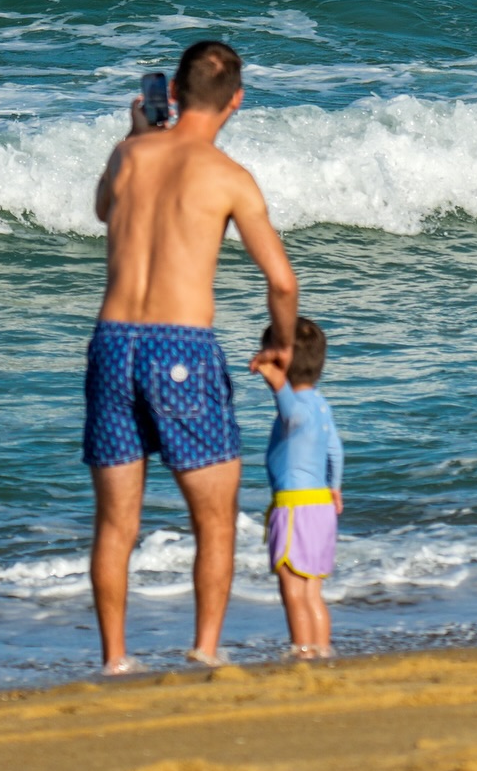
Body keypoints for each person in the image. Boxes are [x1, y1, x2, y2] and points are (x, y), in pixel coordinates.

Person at [85, 40, 298, 673]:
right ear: (236, 99)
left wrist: (133, 133)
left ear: (170, 95)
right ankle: (204, 649)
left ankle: (116, 660)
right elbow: (281, 282)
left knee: (115, 525)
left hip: (113, 343)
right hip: (181, 346)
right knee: (214, 520)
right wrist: (280, 342)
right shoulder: (228, 175)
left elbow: (103, 210)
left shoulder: (129, 155)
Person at [251, 316, 344, 659]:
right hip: (321, 503)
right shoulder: (321, 404)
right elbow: (335, 449)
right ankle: (322, 649)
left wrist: (275, 380)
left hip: (295, 507)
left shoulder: (298, 406)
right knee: (312, 591)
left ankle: (303, 650)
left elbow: (291, 414)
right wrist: (334, 487)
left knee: (292, 587)